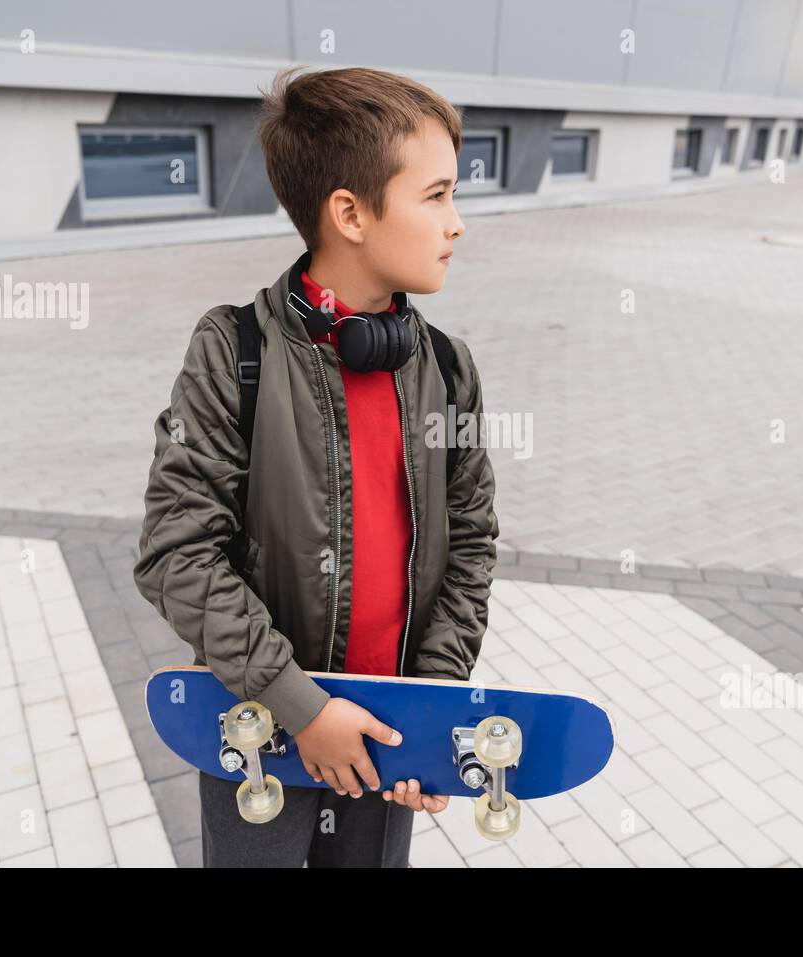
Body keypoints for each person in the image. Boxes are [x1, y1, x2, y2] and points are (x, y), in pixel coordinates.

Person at [132, 64, 499, 867]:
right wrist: (301, 705)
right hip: (261, 722)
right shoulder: (235, 351)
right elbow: (176, 555)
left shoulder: (447, 366)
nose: (457, 222)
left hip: (386, 730)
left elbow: (470, 544)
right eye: (435, 195)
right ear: (349, 213)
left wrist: (428, 705)